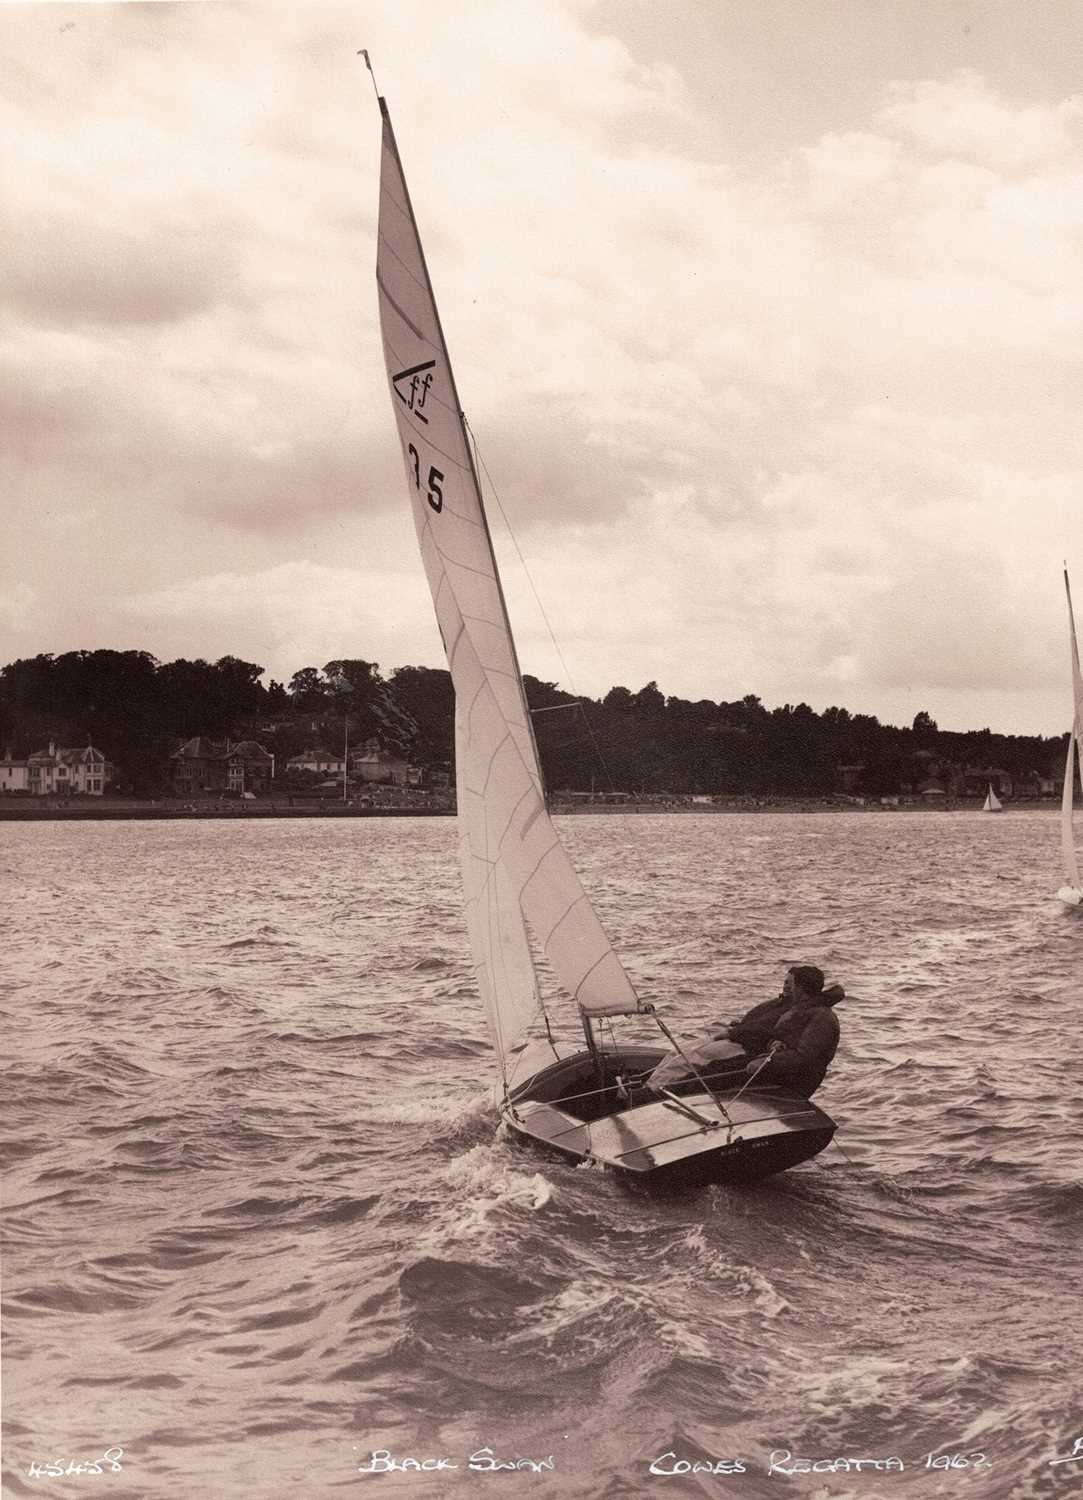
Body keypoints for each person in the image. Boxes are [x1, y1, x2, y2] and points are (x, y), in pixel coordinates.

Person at [749, 964, 841, 1097]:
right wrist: (773, 1043)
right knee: (725, 1065)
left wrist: (769, 1062)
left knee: (726, 1069)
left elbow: (804, 1057)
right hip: (782, 1067)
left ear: (800, 989)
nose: (791, 989)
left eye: (793, 986)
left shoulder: (822, 1018)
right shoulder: (801, 1010)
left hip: (797, 1079)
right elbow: (778, 1037)